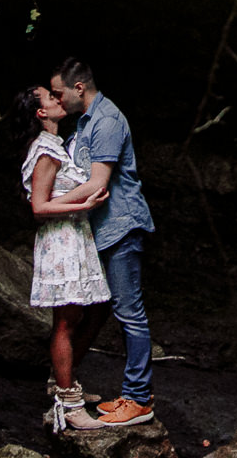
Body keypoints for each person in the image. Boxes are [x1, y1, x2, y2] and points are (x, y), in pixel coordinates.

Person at [50, 58, 158, 427]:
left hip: (121, 228)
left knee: (130, 312)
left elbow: (98, 184)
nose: (56, 100)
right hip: (99, 232)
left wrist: (45, 207)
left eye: (59, 93)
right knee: (102, 312)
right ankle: (121, 393)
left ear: (78, 88)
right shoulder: (83, 123)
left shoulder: (107, 120)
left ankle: (139, 399)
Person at [16, 85, 112, 433]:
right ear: (41, 113)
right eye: (51, 98)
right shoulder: (44, 150)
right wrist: (83, 205)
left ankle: (62, 382)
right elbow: (39, 207)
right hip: (60, 239)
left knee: (88, 312)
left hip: (73, 236)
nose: (59, 99)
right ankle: (69, 404)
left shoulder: (56, 145)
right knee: (66, 321)